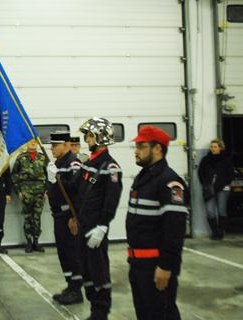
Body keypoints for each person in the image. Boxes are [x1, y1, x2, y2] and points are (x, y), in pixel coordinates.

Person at [127, 126, 189, 320]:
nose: (136, 151)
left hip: (156, 266)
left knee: (162, 314)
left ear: (157, 149)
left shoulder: (170, 182)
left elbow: (174, 230)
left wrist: (165, 266)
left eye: (141, 146)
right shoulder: (144, 177)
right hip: (138, 264)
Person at [73, 118, 122, 320]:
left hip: (96, 229)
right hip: (84, 226)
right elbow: (76, 187)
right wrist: (56, 175)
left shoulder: (110, 167)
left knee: (98, 270)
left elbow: (111, 200)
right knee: (86, 269)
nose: (87, 139)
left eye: (90, 135)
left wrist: (103, 225)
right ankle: (94, 307)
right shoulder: (90, 162)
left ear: (101, 137)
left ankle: (101, 311)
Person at [46, 131, 84, 305]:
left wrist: (74, 216)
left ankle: (76, 290)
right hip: (58, 216)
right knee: (63, 253)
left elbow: (77, 192)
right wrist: (51, 179)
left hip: (69, 216)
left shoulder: (73, 163)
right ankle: (70, 285)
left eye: (55, 145)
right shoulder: (58, 163)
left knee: (72, 253)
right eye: (51, 145)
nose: (51, 148)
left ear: (67, 145)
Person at [11, 139, 47, 253]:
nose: (33, 143)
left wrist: (46, 191)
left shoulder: (43, 157)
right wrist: (19, 192)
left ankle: (36, 241)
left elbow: (49, 175)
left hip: (40, 191)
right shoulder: (21, 158)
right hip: (26, 191)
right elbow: (14, 175)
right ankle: (29, 242)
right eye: (31, 142)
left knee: (37, 218)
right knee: (27, 217)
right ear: (26, 143)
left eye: (35, 142)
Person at [198, 138, 234, 240]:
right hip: (208, 188)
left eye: (215, 147)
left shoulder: (226, 159)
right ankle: (215, 231)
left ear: (220, 148)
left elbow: (231, 175)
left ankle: (221, 232)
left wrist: (223, 183)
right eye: (212, 147)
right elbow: (200, 173)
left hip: (222, 188)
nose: (213, 149)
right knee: (210, 211)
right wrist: (205, 183)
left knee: (221, 210)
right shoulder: (206, 159)